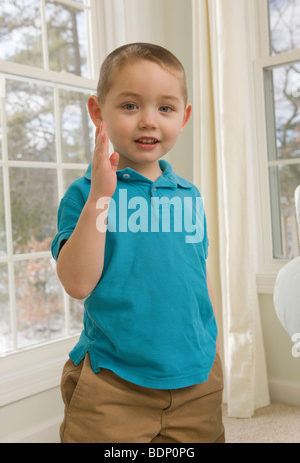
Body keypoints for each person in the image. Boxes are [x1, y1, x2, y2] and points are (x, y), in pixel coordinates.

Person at [51, 42, 225, 443]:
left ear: (184, 117)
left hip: (196, 380)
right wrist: (101, 196)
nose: (149, 120)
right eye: (130, 106)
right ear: (98, 112)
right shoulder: (84, 195)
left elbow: (198, 274)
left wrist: (212, 343)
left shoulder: (189, 195)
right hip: (112, 385)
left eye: (165, 108)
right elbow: (77, 284)